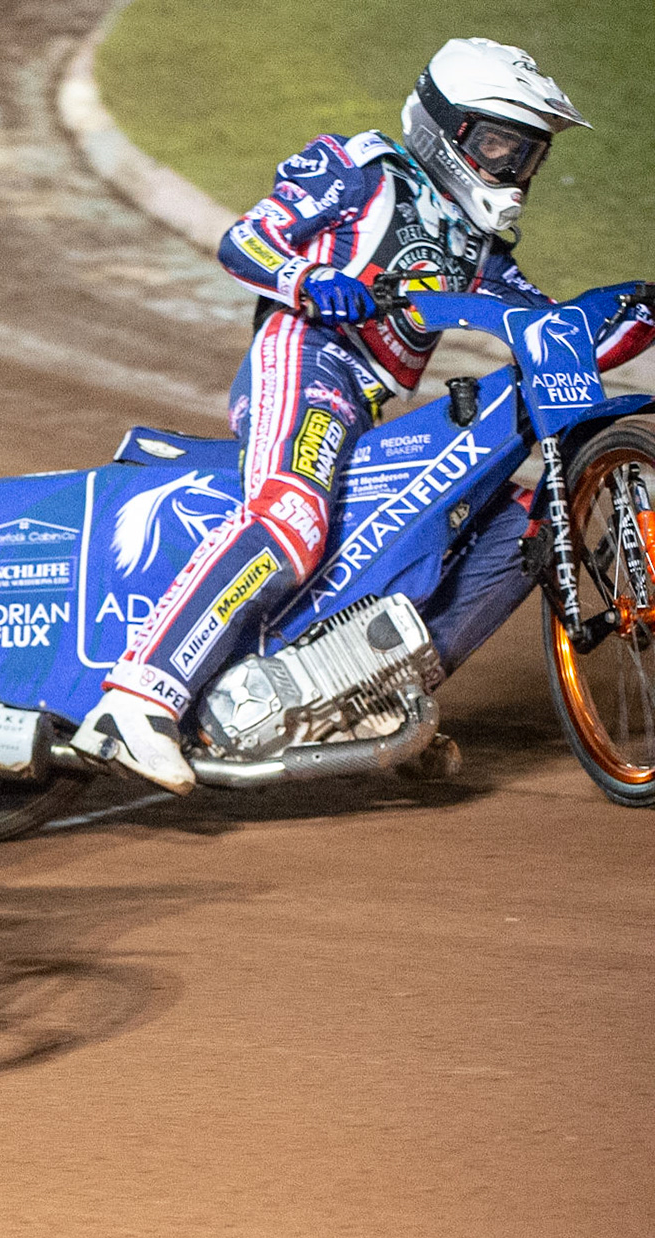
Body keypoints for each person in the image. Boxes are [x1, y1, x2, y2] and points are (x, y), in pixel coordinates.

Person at [71, 37, 655, 793]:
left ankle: (370, 699)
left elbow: (555, 333)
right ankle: (139, 694)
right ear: (447, 130)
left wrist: (636, 307)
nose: (515, 171)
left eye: (528, 154)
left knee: (521, 523)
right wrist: (310, 278)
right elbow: (244, 239)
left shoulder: (479, 250)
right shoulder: (361, 169)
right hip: (306, 356)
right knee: (293, 513)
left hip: (369, 400)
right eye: (501, 145)